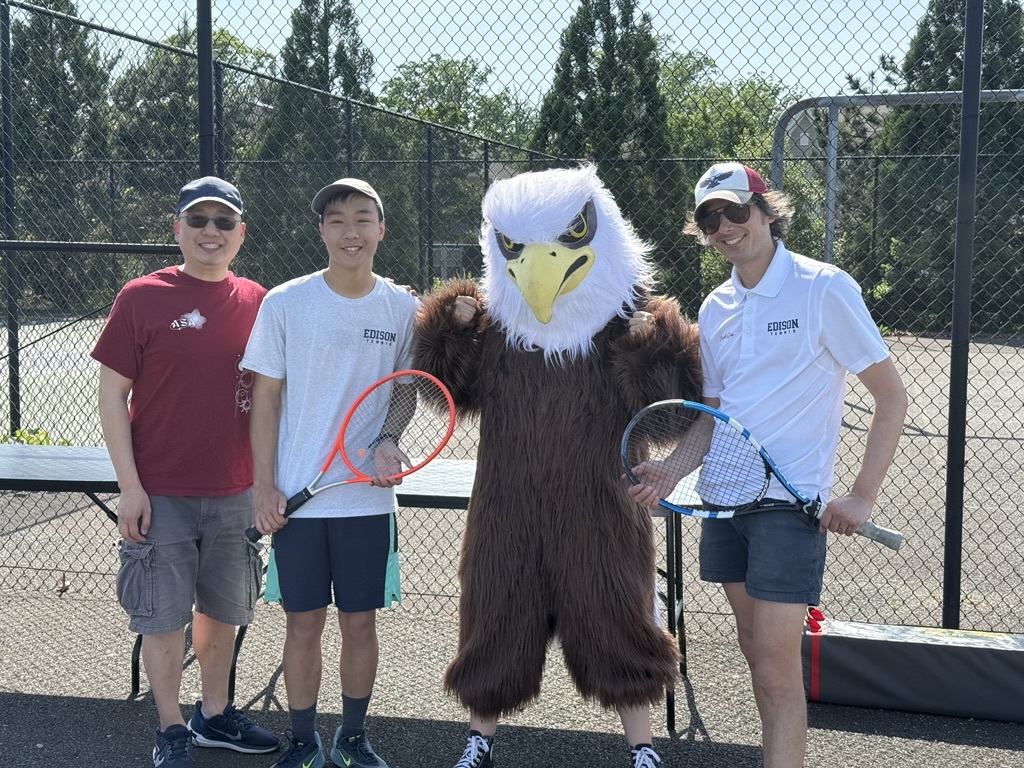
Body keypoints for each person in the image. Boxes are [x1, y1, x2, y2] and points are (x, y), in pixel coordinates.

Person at [628, 162, 908, 768]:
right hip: (724, 502)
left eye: (736, 210)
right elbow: (716, 413)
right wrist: (673, 468)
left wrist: (861, 496)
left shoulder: (823, 287)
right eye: (710, 219)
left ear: (765, 209)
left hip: (787, 507)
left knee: (779, 671)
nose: (726, 226)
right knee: (756, 652)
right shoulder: (718, 304)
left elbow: (891, 397)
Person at [92, 176, 280, 768]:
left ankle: (214, 715)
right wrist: (130, 488)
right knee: (162, 616)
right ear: (177, 229)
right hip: (161, 493)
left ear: (240, 234)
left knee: (224, 612)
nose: (210, 232)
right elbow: (111, 396)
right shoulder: (141, 297)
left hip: (237, 494)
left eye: (224, 222)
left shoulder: (260, 300)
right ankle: (171, 728)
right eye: (198, 220)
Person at [243, 177, 418, 768]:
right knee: (302, 625)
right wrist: (264, 485)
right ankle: (302, 739)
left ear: (380, 230)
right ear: (321, 230)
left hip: (366, 503)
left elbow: (405, 391)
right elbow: (264, 400)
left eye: (363, 218)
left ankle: (352, 737)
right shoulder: (285, 303)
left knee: (361, 624)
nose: (351, 230)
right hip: (296, 500)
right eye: (338, 219)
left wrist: (390, 439)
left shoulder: (401, 308)